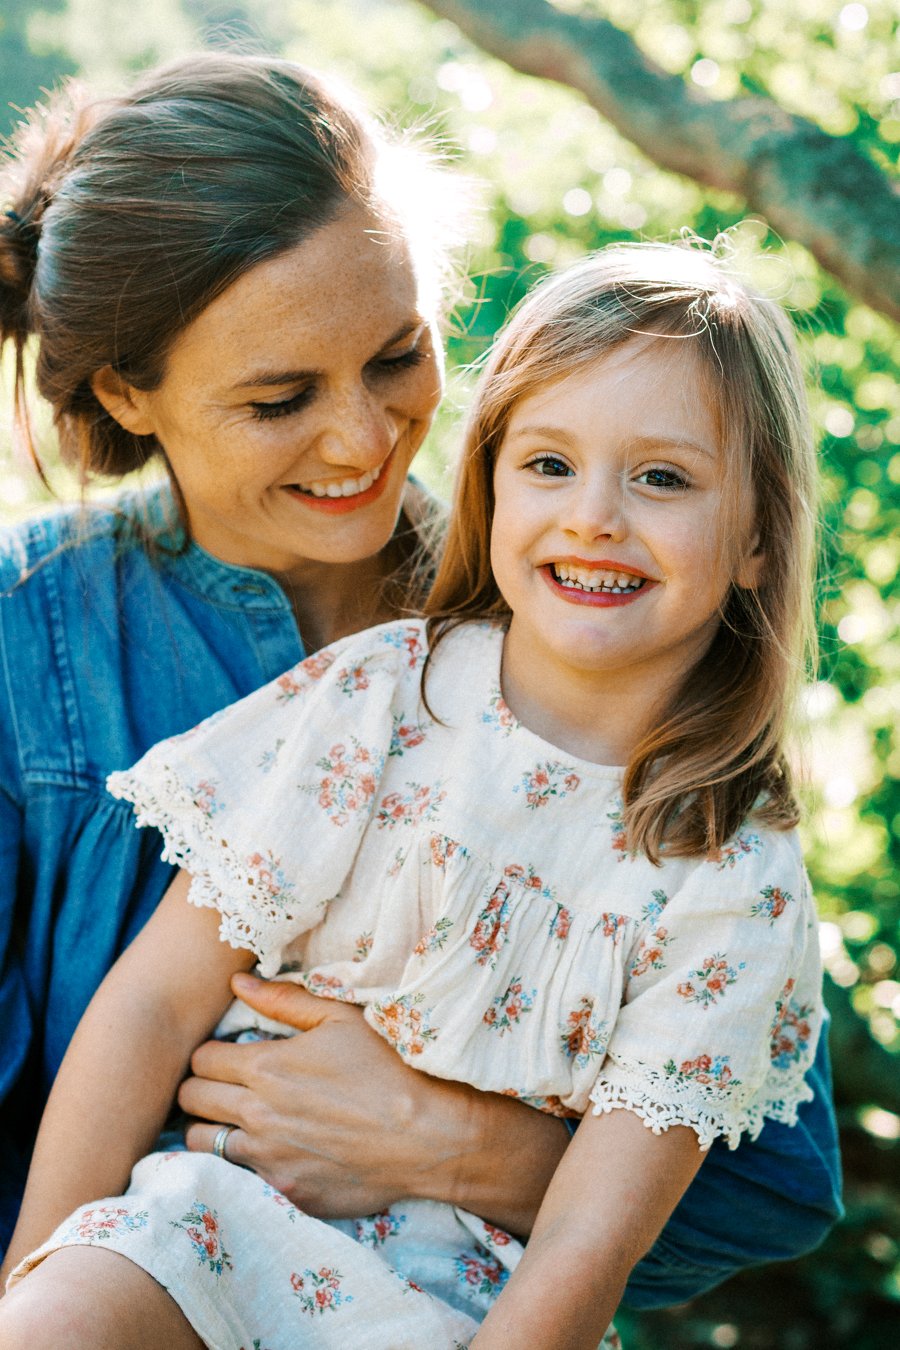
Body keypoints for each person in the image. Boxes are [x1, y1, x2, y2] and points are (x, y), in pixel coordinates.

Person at [0, 50, 840, 1319]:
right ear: (131, 392)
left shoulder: (586, 641)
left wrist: (458, 1148)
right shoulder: (32, 646)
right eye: (281, 398)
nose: (364, 439)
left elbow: (773, 1185)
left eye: (397, 356)